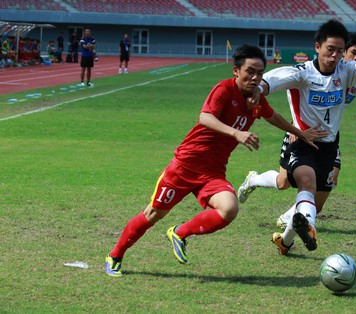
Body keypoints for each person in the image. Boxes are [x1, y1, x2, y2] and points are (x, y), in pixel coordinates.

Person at [105, 44, 327, 277]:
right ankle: (115, 255)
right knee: (153, 214)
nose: (255, 77)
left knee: (230, 208)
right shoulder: (223, 89)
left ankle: (180, 233)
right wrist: (236, 133)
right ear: (236, 71)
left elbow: (273, 116)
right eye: (250, 71)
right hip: (185, 165)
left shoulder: (256, 98)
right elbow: (204, 117)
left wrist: (300, 132)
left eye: (260, 73)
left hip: (212, 173)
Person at [241, 20, 356, 256]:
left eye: (339, 51)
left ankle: (285, 241)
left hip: (329, 146)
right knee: (300, 183)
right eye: (330, 49)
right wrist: (258, 90)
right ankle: (304, 222)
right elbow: (271, 80)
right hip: (302, 141)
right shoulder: (302, 73)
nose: (335, 55)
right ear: (317, 47)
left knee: (315, 201)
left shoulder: (347, 71)